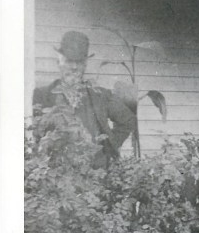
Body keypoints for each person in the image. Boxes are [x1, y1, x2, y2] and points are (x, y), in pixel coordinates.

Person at [32, 30, 136, 168]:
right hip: (57, 173)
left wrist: (107, 148)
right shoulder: (42, 95)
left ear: (85, 64)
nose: (74, 67)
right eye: (69, 61)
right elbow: (35, 134)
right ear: (59, 62)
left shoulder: (100, 95)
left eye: (79, 62)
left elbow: (128, 120)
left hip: (94, 173)